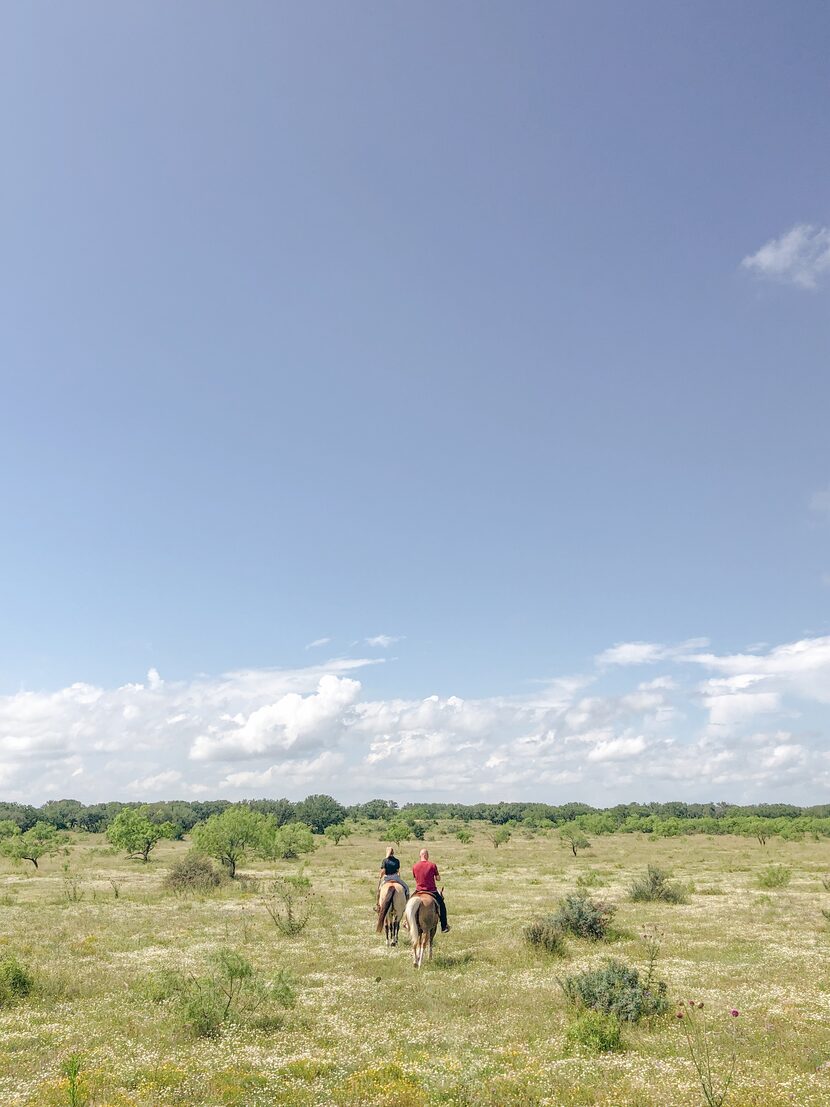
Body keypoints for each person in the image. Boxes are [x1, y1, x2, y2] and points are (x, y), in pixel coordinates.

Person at [412, 847, 450, 932]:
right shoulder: (432, 865)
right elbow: (437, 878)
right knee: (442, 905)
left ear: (420, 855)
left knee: (408, 904)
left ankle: (406, 922)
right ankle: (444, 926)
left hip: (419, 890)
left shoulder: (415, 866)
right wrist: (438, 877)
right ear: (426, 855)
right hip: (431, 891)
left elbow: (415, 877)